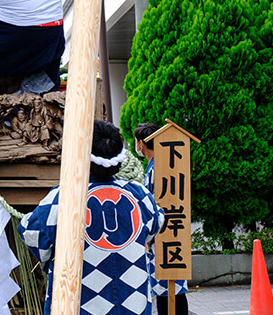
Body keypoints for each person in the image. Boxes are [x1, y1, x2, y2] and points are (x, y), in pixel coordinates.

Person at [19, 120, 164, 315]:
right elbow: (156, 225)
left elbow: (33, 233)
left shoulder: (64, 197)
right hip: (132, 302)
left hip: (80, 302)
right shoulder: (140, 195)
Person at [134, 122, 189, 315]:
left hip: (163, 235)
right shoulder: (159, 165)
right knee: (167, 287)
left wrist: (147, 235)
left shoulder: (158, 167)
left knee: (168, 286)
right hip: (168, 233)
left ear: (141, 143)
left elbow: (153, 208)